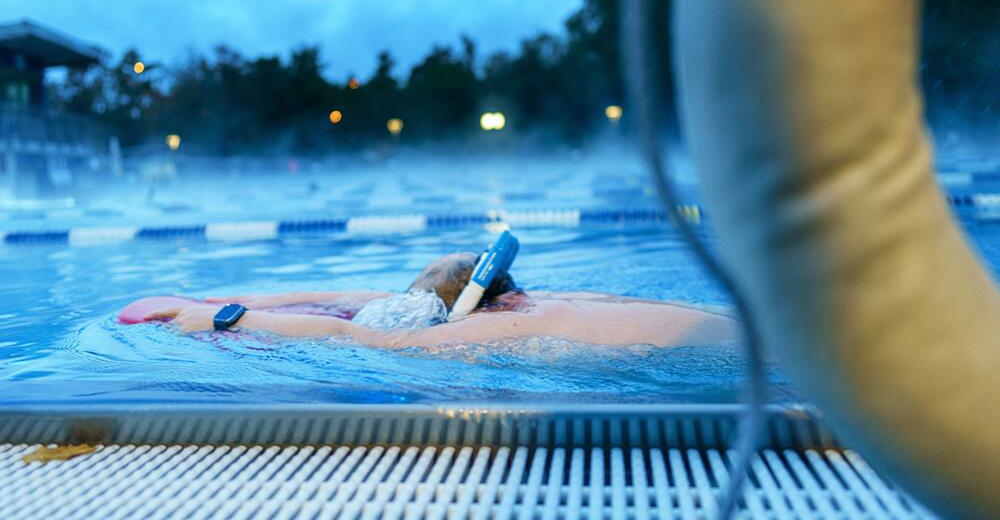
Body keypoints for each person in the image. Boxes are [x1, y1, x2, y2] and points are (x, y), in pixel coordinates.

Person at [145, 252, 738, 348]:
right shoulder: (542, 300)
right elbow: (351, 298)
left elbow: (363, 334)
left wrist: (231, 316)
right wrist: (246, 294)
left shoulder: (495, 331)